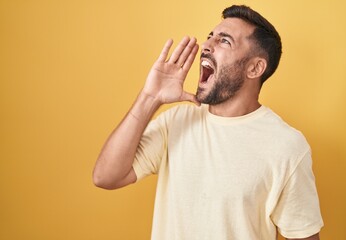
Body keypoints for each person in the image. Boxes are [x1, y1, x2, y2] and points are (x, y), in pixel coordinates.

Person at [93, 5, 323, 240]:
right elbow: (106, 176)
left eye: (224, 41)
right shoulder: (177, 121)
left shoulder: (286, 146)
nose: (206, 46)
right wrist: (150, 98)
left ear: (255, 68)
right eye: (210, 37)